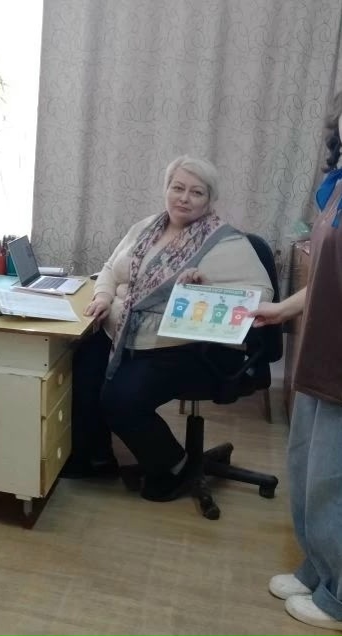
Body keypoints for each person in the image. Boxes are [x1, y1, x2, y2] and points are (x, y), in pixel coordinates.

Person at [63, 155, 273, 502]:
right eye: (177, 188)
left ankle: (175, 466)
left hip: (186, 347)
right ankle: (95, 457)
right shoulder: (146, 227)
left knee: (120, 400)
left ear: (209, 199)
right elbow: (110, 269)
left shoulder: (225, 242)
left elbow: (261, 295)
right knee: (82, 363)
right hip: (123, 334)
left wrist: (205, 290)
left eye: (196, 192)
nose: (184, 198)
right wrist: (102, 296)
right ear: (166, 189)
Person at [258, 92, 342, 631]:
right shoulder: (337, 187)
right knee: (306, 467)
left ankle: (339, 597)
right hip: (318, 348)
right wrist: (280, 309)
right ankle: (318, 568)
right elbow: (325, 279)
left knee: (334, 478)